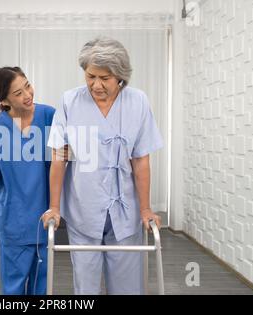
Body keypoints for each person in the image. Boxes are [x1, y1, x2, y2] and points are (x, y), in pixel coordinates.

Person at [43, 37, 164, 295]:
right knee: (85, 288)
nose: (96, 85)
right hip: (83, 208)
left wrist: (145, 209)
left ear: (120, 76)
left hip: (126, 212)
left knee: (128, 288)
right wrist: (54, 206)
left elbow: (141, 159)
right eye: (90, 76)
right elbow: (59, 157)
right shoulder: (70, 102)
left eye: (105, 78)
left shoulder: (138, 102)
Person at [0, 67, 55, 295]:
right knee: (13, 289)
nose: (27, 94)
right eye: (18, 93)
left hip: (44, 220)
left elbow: (66, 157)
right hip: (14, 223)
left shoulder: (49, 116)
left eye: (27, 85)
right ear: (4, 100)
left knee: (41, 288)